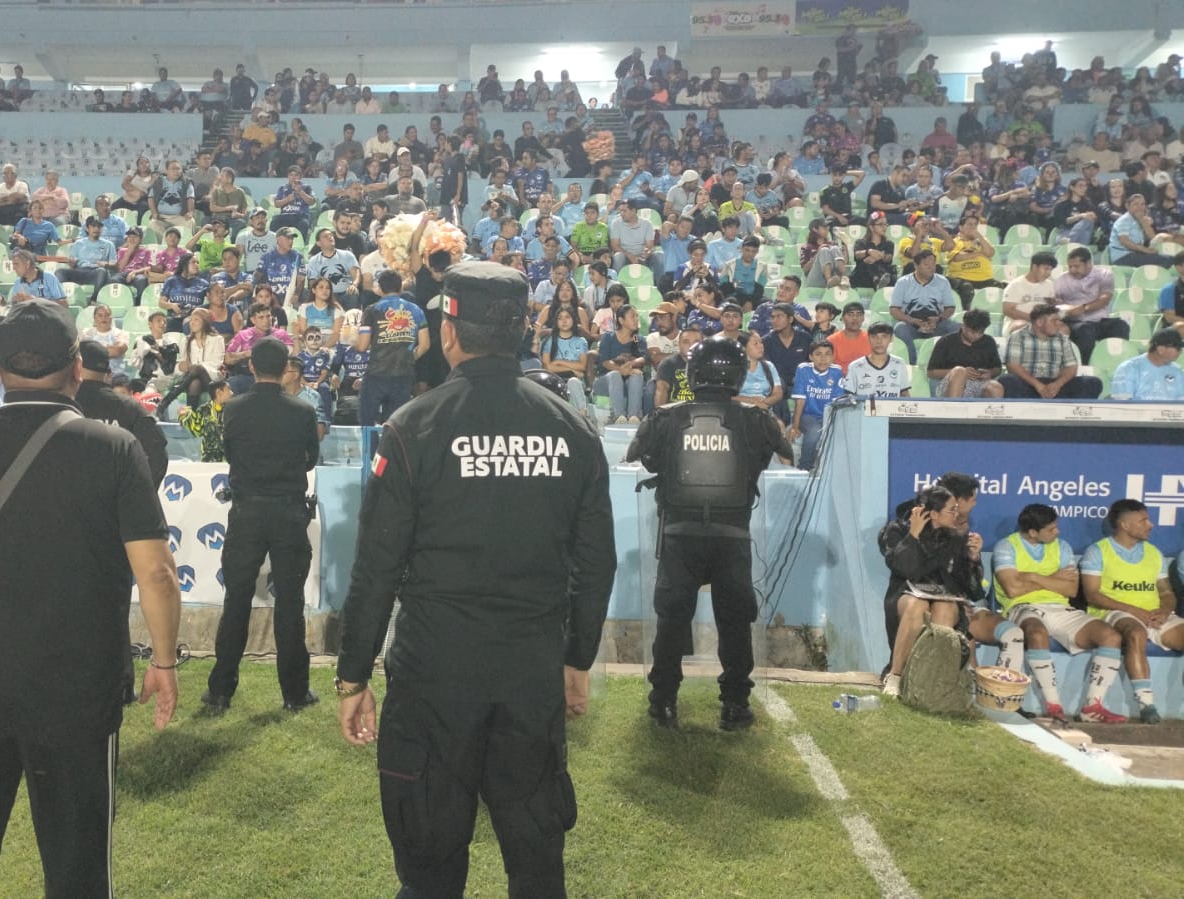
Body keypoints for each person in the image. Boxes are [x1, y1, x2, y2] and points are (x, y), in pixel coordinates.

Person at [334, 260, 614, 898]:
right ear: (522, 332)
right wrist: (577, 659)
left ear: (449, 331)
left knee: (429, 870)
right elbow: (596, 561)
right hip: (529, 669)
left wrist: (352, 674)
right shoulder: (572, 428)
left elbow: (377, 567)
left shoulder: (414, 426)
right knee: (536, 865)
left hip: (434, 674)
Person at [0, 300, 181, 897]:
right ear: (76, 368)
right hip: (76, 688)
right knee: (78, 867)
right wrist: (163, 660)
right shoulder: (114, 448)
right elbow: (155, 572)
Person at [629, 337, 793, 730]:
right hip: (732, 536)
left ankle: (663, 702)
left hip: (679, 535)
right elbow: (782, 451)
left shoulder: (664, 417)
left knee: (672, 619)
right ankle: (735, 704)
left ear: (692, 373)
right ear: (738, 376)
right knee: (735, 622)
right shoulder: (757, 419)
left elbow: (639, 457)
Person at [203, 338, 321, 715]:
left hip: (247, 512)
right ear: (286, 367)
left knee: (236, 599)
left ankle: (220, 691)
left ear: (251, 366)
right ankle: (295, 693)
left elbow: (230, 453)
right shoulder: (303, 411)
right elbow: (310, 459)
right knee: (290, 602)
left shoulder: (233, 408)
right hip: (288, 512)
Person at [878, 484, 1023, 698]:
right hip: (905, 595)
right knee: (917, 604)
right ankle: (896, 675)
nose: (957, 514)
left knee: (945, 608)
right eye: (952, 510)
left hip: (944, 599)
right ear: (934, 514)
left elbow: (973, 591)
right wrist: (913, 536)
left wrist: (973, 559)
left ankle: (927, 680)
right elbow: (905, 569)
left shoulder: (954, 538)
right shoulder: (897, 531)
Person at [992, 504, 1126, 724]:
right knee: (1036, 633)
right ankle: (1054, 706)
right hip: (1022, 606)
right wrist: (1054, 579)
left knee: (1110, 637)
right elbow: (1013, 589)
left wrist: (1033, 577)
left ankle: (1093, 707)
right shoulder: (1006, 547)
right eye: (1051, 529)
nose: (1057, 532)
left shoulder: (1062, 546)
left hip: (1061, 608)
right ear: (1032, 532)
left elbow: (1071, 589)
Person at [1080, 500, 1183, 724]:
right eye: (1143, 520)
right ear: (1125, 525)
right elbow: (1092, 595)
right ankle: (1146, 704)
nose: (1151, 525)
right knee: (1136, 632)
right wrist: (1134, 610)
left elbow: (1166, 592)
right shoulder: (1097, 551)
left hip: (1153, 615)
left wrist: (1165, 611)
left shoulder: (1154, 553)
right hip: (1113, 612)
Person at [74, 340, 169, 488]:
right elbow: (157, 455)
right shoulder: (131, 408)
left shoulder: (62, 405)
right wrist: (137, 494)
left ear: (76, 366)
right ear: (109, 372)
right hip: (117, 496)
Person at [354, 271, 428, 427]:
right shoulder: (416, 310)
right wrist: (409, 357)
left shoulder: (372, 310)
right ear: (400, 288)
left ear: (380, 289)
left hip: (376, 374)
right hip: (404, 375)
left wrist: (351, 339)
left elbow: (362, 346)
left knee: (367, 423)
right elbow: (425, 345)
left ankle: (371, 444)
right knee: (395, 426)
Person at [998, 303, 1103, 399]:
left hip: (1055, 383)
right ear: (1039, 322)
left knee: (1092, 382)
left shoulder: (1062, 339)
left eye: (1058, 320)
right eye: (1054, 320)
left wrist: (1057, 385)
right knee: (1007, 380)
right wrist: (1038, 385)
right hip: (1028, 383)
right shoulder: (1017, 337)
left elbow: (1071, 367)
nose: (1059, 324)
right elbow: (1013, 366)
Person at [789, 341, 845, 471]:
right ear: (811, 356)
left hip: (828, 415)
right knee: (814, 431)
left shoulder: (836, 371)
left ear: (833, 357)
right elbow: (800, 401)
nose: (823, 358)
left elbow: (836, 403)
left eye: (827, 354)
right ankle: (804, 466)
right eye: (818, 354)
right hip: (807, 415)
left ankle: (832, 469)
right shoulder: (803, 369)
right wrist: (795, 427)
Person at [926, 309, 1004, 399]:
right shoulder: (946, 342)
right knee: (959, 371)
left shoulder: (988, 342)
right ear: (964, 326)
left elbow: (997, 368)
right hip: (949, 384)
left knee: (995, 387)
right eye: (973, 332)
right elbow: (931, 372)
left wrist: (990, 373)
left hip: (978, 383)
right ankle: (952, 406)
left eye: (980, 333)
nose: (976, 336)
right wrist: (962, 372)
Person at [1110, 329, 1184, 401]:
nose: (1180, 352)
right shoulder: (1128, 368)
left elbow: (1181, 402)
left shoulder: (1177, 371)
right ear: (1161, 349)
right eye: (1178, 348)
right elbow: (1122, 404)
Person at [842, 322, 911, 398]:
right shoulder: (855, 366)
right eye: (874, 337)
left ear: (891, 338)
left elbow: (905, 394)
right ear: (868, 338)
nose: (879, 341)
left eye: (884, 337)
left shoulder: (899, 363)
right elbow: (848, 398)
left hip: (892, 406)